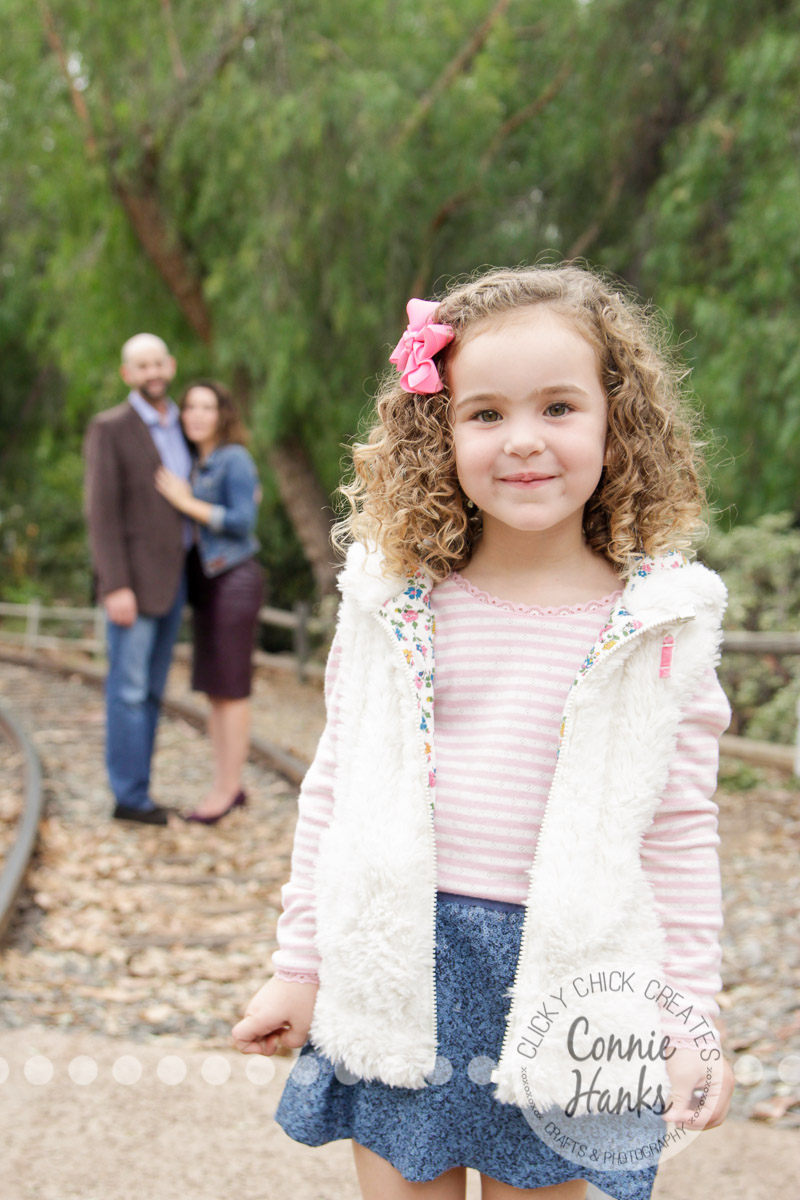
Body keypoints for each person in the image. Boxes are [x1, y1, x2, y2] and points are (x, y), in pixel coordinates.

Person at [232, 265, 736, 1200]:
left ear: (616, 421)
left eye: (558, 407)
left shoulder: (662, 627)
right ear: (441, 433)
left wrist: (686, 1021)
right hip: (400, 964)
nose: (524, 442)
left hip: (569, 982)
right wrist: (298, 968)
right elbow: (337, 786)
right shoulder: (391, 606)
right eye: (486, 414)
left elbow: (677, 833)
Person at [84, 333, 191, 826]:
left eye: (157, 363)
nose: (151, 373)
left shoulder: (184, 426)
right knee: (126, 692)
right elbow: (101, 514)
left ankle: (141, 792)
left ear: (169, 365)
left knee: (150, 692)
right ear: (128, 373)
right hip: (132, 585)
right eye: (140, 366)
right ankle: (128, 797)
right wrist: (114, 585)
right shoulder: (111, 428)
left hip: (175, 582)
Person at [154, 380, 263, 824]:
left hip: (234, 577)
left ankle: (228, 789)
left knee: (231, 691)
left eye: (207, 407)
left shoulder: (233, 458)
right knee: (216, 691)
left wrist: (186, 502)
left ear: (222, 414)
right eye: (190, 407)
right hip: (208, 582)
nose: (196, 415)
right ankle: (225, 785)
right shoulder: (197, 463)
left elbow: (242, 521)